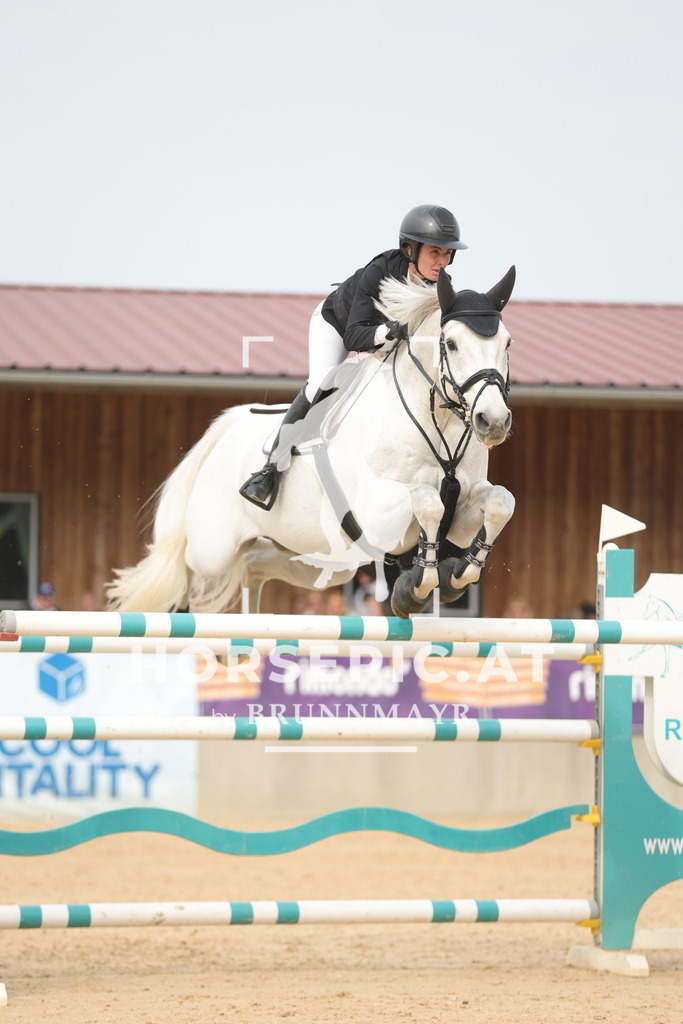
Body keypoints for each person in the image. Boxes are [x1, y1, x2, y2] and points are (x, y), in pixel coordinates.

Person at [239, 204, 468, 510]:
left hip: (387, 341)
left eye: (447, 254)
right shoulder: (380, 271)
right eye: (434, 253)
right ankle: (269, 468)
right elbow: (354, 336)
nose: (442, 262)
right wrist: (389, 330)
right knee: (321, 382)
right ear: (409, 249)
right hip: (337, 323)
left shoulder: (443, 286)